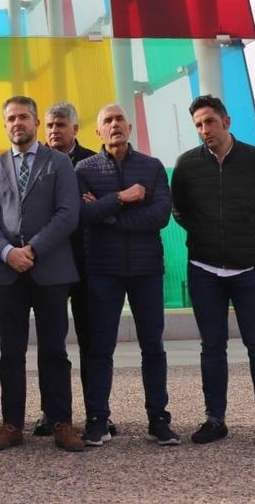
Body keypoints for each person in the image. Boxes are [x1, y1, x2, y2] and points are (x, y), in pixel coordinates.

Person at [171, 94, 255, 447]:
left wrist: (251, 237)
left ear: (226, 122)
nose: (205, 130)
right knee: (212, 347)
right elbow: (180, 211)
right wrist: (206, 238)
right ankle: (214, 419)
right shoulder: (187, 165)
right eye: (199, 125)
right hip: (204, 269)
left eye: (209, 122)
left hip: (249, 268)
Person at [0, 96, 83, 452]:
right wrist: (8, 253)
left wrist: (32, 250)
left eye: (23, 116)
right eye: (10, 118)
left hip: (50, 269)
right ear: (4, 124)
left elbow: (68, 213)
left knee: (54, 350)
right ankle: (11, 424)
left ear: (37, 122)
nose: (17, 123)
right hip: (8, 274)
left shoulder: (60, 163)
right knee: (11, 352)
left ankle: (61, 422)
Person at [75, 105, 178, 447]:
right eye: (107, 120)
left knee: (153, 346)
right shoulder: (84, 169)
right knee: (100, 347)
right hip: (103, 270)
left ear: (130, 127)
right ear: (98, 132)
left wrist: (111, 217)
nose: (114, 125)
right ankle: (98, 419)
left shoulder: (151, 167)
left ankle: (158, 418)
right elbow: (81, 214)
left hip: (146, 269)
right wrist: (123, 199)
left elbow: (161, 214)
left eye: (119, 119)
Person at [33, 101, 108, 438]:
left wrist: (96, 207)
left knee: (92, 343)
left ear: (75, 129)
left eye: (60, 125)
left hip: (87, 266)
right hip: (47, 267)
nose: (53, 131)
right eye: (49, 125)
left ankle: (97, 415)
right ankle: (53, 413)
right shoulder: (35, 163)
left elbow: (101, 212)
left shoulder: (94, 164)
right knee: (51, 344)